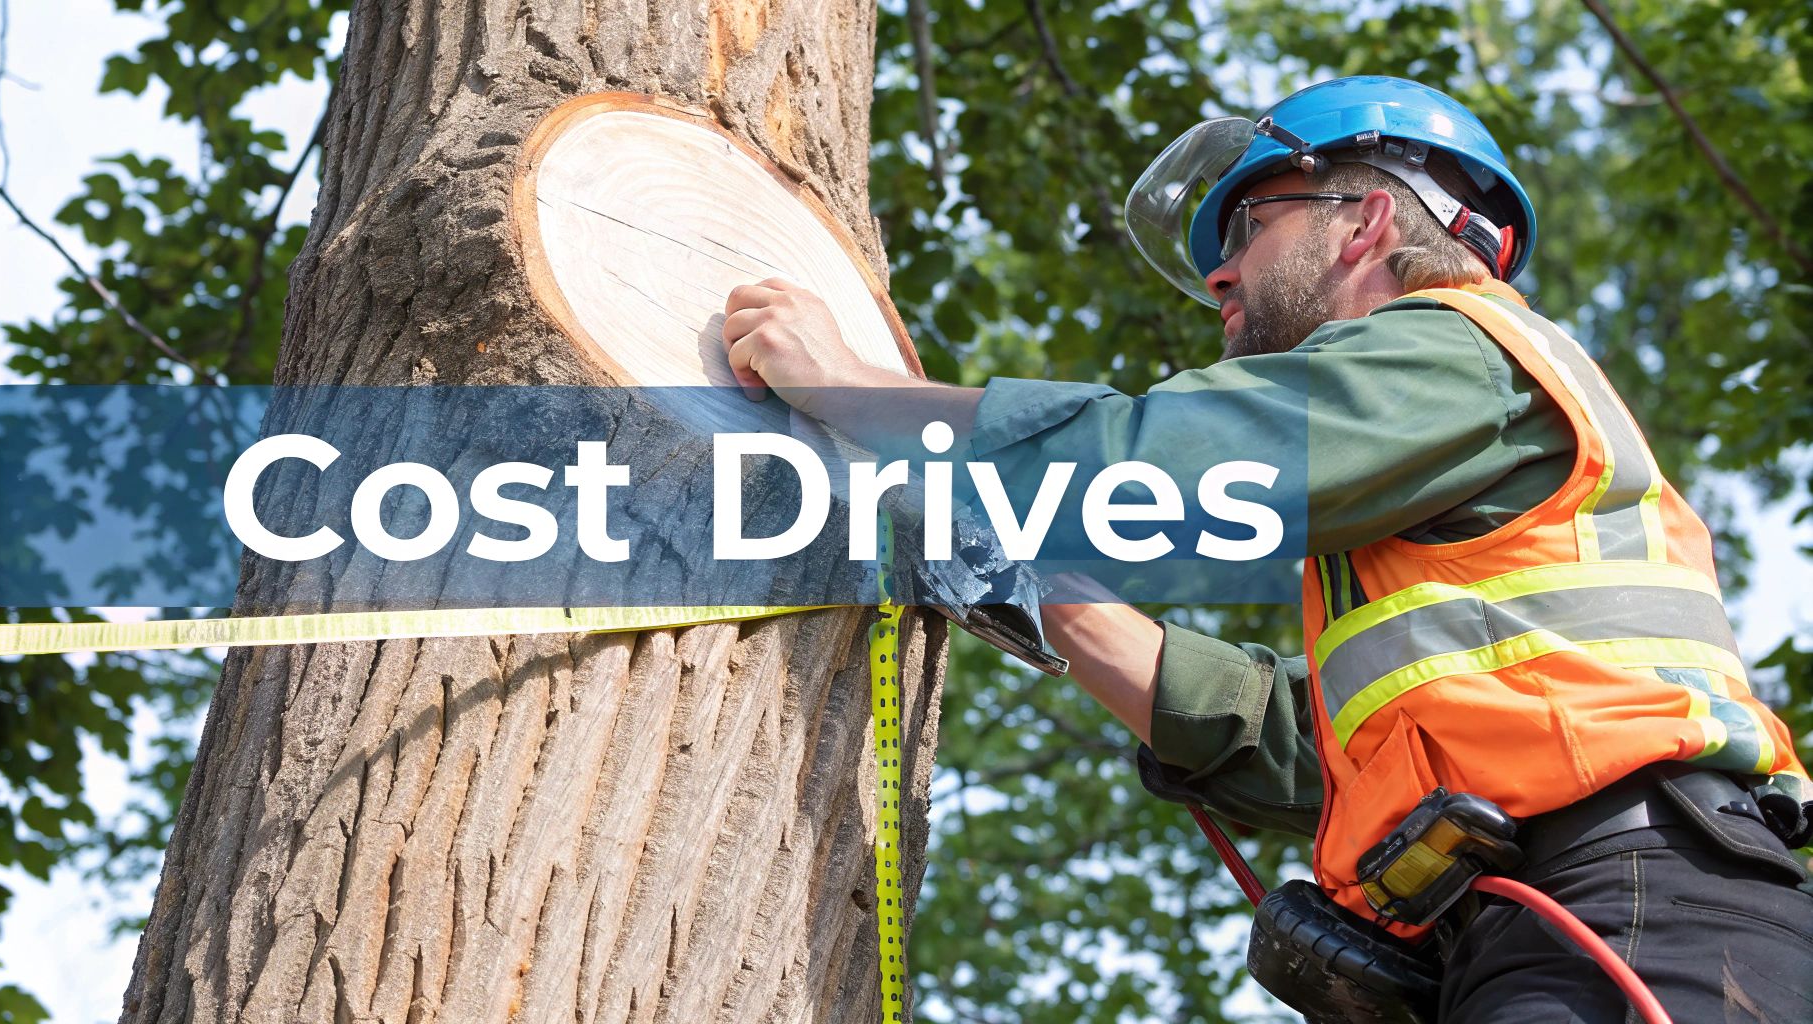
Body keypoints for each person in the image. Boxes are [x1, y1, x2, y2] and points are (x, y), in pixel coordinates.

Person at [715, 76, 1813, 1022]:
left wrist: (857, 391)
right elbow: (1302, 744)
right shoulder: (1427, 498)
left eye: (1249, 226)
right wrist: (1030, 586)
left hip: (1632, 908)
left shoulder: (1455, 349)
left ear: (1366, 221)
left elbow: (1162, 466)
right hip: (1547, 925)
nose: (1219, 275)